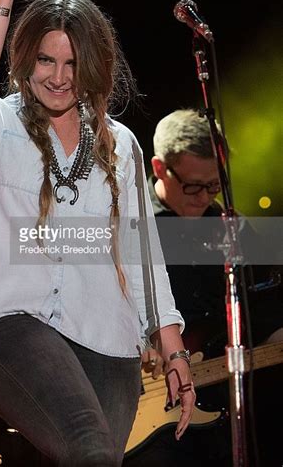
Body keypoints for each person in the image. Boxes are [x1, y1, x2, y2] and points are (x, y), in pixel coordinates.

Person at [0, 0, 196, 467]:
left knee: (99, 456)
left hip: (108, 336)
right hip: (6, 320)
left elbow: (142, 256)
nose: (59, 77)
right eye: (46, 60)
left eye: (73, 64)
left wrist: (173, 351)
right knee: (89, 447)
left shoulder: (121, 144)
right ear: (25, 56)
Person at [127, 108, 283, 467]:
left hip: (221, 408)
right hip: (147, 409)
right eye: (193, 185)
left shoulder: (233, 229)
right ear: (158, 168)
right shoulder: (128, 224)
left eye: (214, 185)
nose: (204, 197)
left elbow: (267, 314)